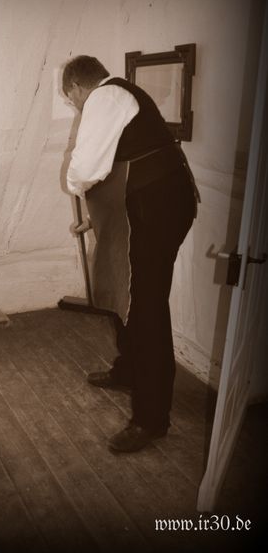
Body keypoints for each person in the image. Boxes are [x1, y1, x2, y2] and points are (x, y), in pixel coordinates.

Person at [62, 55, 199, 453]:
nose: (74, 106)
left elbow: (86, 168)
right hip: (149, 205)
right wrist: (96, 220)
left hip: (158, 209)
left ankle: (151, 419)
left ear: (77, 87)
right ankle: (129, 371)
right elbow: (118, 169)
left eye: (71, 99)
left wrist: (73, 185)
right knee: (122, 287)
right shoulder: (119, 97)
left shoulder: (105, 98)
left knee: (146, 305)